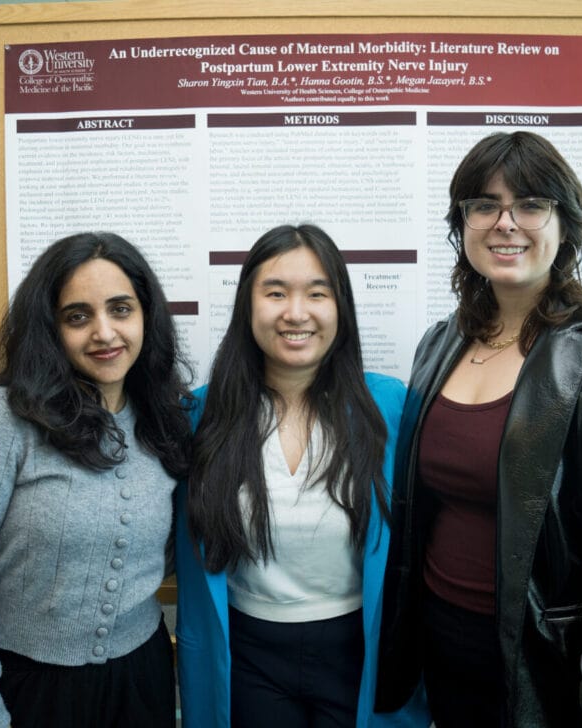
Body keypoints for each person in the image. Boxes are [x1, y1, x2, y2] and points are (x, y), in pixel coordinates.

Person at [374, 131, 582, 727]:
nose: (505, 223)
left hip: (553, 669)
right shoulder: (441, 342)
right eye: (483, 205)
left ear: (565, 223)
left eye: (530, 204)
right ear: (462, 223)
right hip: (445, 643)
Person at [0, 232, 191, 728]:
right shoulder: (4, 422)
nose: (104, 332)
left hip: (142, 675)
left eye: (120, 309)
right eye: (78, 316)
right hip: (29, 685)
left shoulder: (167, 420)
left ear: (146, 317)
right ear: (50, 329)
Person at [176, 224, 429, 728]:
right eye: (275, 293)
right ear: (248, 305)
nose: (296, 313)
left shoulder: (390, 406)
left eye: (318, 293)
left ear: (341, 308)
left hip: (360, 650)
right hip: (247, 655)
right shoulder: (202, 416)